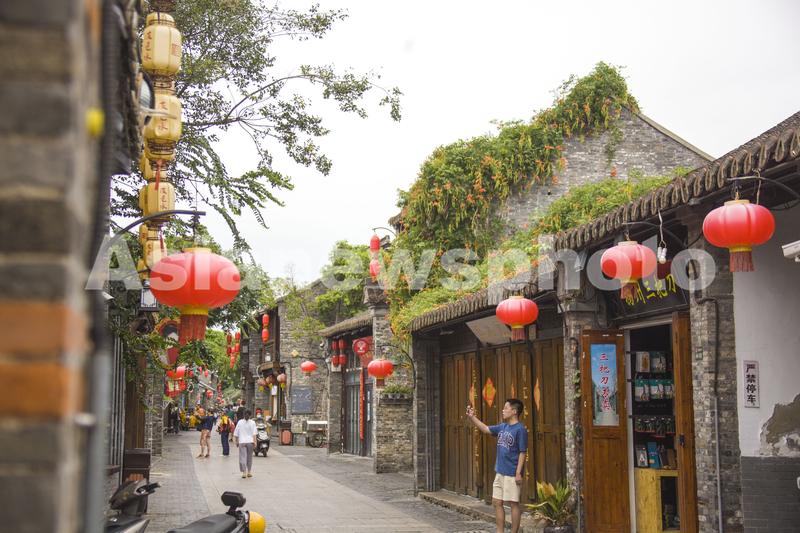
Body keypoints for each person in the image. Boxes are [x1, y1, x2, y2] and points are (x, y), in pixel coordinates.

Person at [466, 399, 528, 533]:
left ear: (514, 411)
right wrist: (472, 417)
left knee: (513, 503)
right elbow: (485, 429)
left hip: (512, 473)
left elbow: (522, 452)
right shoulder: (503, 427)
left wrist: (518, 473)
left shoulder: (520, 429)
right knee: (496, 502)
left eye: (506, 408)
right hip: (500, 471)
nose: (503, 410)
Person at [233, 409, 257, 478]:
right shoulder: (253, 422)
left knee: (243, 457)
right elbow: (254, 434)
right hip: (250, 442)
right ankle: (249, 472)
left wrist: (236, 441)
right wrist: (255, 442)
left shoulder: (240, 422)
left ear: (243, 415)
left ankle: (244, 472)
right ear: (250, 415)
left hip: (242, 442)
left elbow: (236, 433)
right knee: (249, 457)